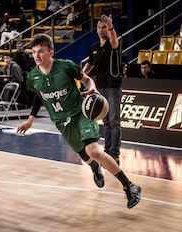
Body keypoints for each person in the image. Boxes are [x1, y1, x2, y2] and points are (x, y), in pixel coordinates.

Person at [17, 34, 141, 209]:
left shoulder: (65, 66)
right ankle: (95, 169)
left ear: (51, 52)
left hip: (81, 112)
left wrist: (91, 87)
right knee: (84, 155)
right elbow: (39, 97)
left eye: (41, 51)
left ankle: (129, 186)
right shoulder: (32, 77)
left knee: (93, 151)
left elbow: (87, 79)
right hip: (61, 121)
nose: (36, 55)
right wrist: (30, 121)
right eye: (34, 52)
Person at [83, 14, 122, 165]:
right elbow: (89, 65)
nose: (101, 30)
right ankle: (107, 151)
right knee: (105, 121)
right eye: (99, 27)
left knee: (114, 121)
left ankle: (115, 153)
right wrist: (80, 76)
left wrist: (111, 26)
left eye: (104, 27)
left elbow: (115, 42)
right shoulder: (94, 47)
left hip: (113, 86)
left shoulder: (112, 45)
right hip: (99, 87)